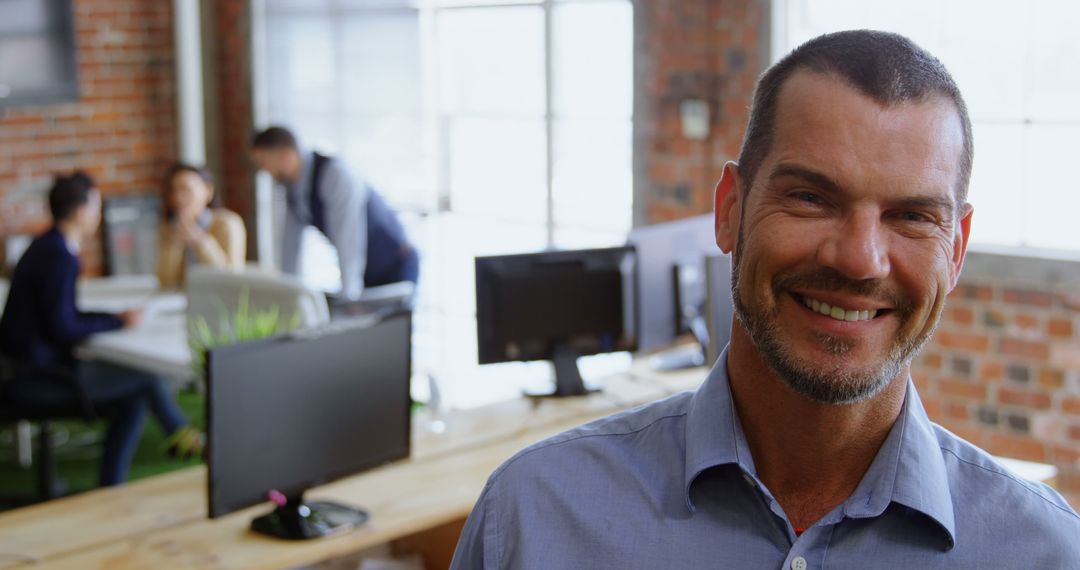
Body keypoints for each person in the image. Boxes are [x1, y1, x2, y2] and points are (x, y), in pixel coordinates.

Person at [451, 30, 1080, 568]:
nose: (860, 258)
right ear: (729, 209)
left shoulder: (1045, 552)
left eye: (912, 215)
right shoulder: (533, 518)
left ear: (957, 248)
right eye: (811, 197)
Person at [0, 172, 201, 488]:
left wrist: (113, 317)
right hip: (35, 377)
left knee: (134, 395)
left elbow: (62, 316)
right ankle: (182, 435)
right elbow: (64, 328)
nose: (98, 214)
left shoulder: (48, 246)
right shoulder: (58, 255)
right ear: (80, 211)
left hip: (27, 368)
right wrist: (118, 321)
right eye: (95, 206)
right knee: (145, 375)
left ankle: (112, 485)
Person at [249, 127, 418, 300]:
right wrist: (287, 297)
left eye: (264, 163)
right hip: (366, 270)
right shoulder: (294, 190)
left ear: (286, 155)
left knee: (393, 325)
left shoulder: (334, 176)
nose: (264, 172)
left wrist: (348, 299)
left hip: (395, 263)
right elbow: (291, 246)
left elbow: (348, 240)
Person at [157, 163, 246, 289]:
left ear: (208, 191)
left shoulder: (228, 223)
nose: (178, 198)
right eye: (173, 191)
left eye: (185, 190)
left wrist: (199, 239)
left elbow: (230, 277)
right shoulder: (170, 227)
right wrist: (174, 243)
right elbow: (165, 281)